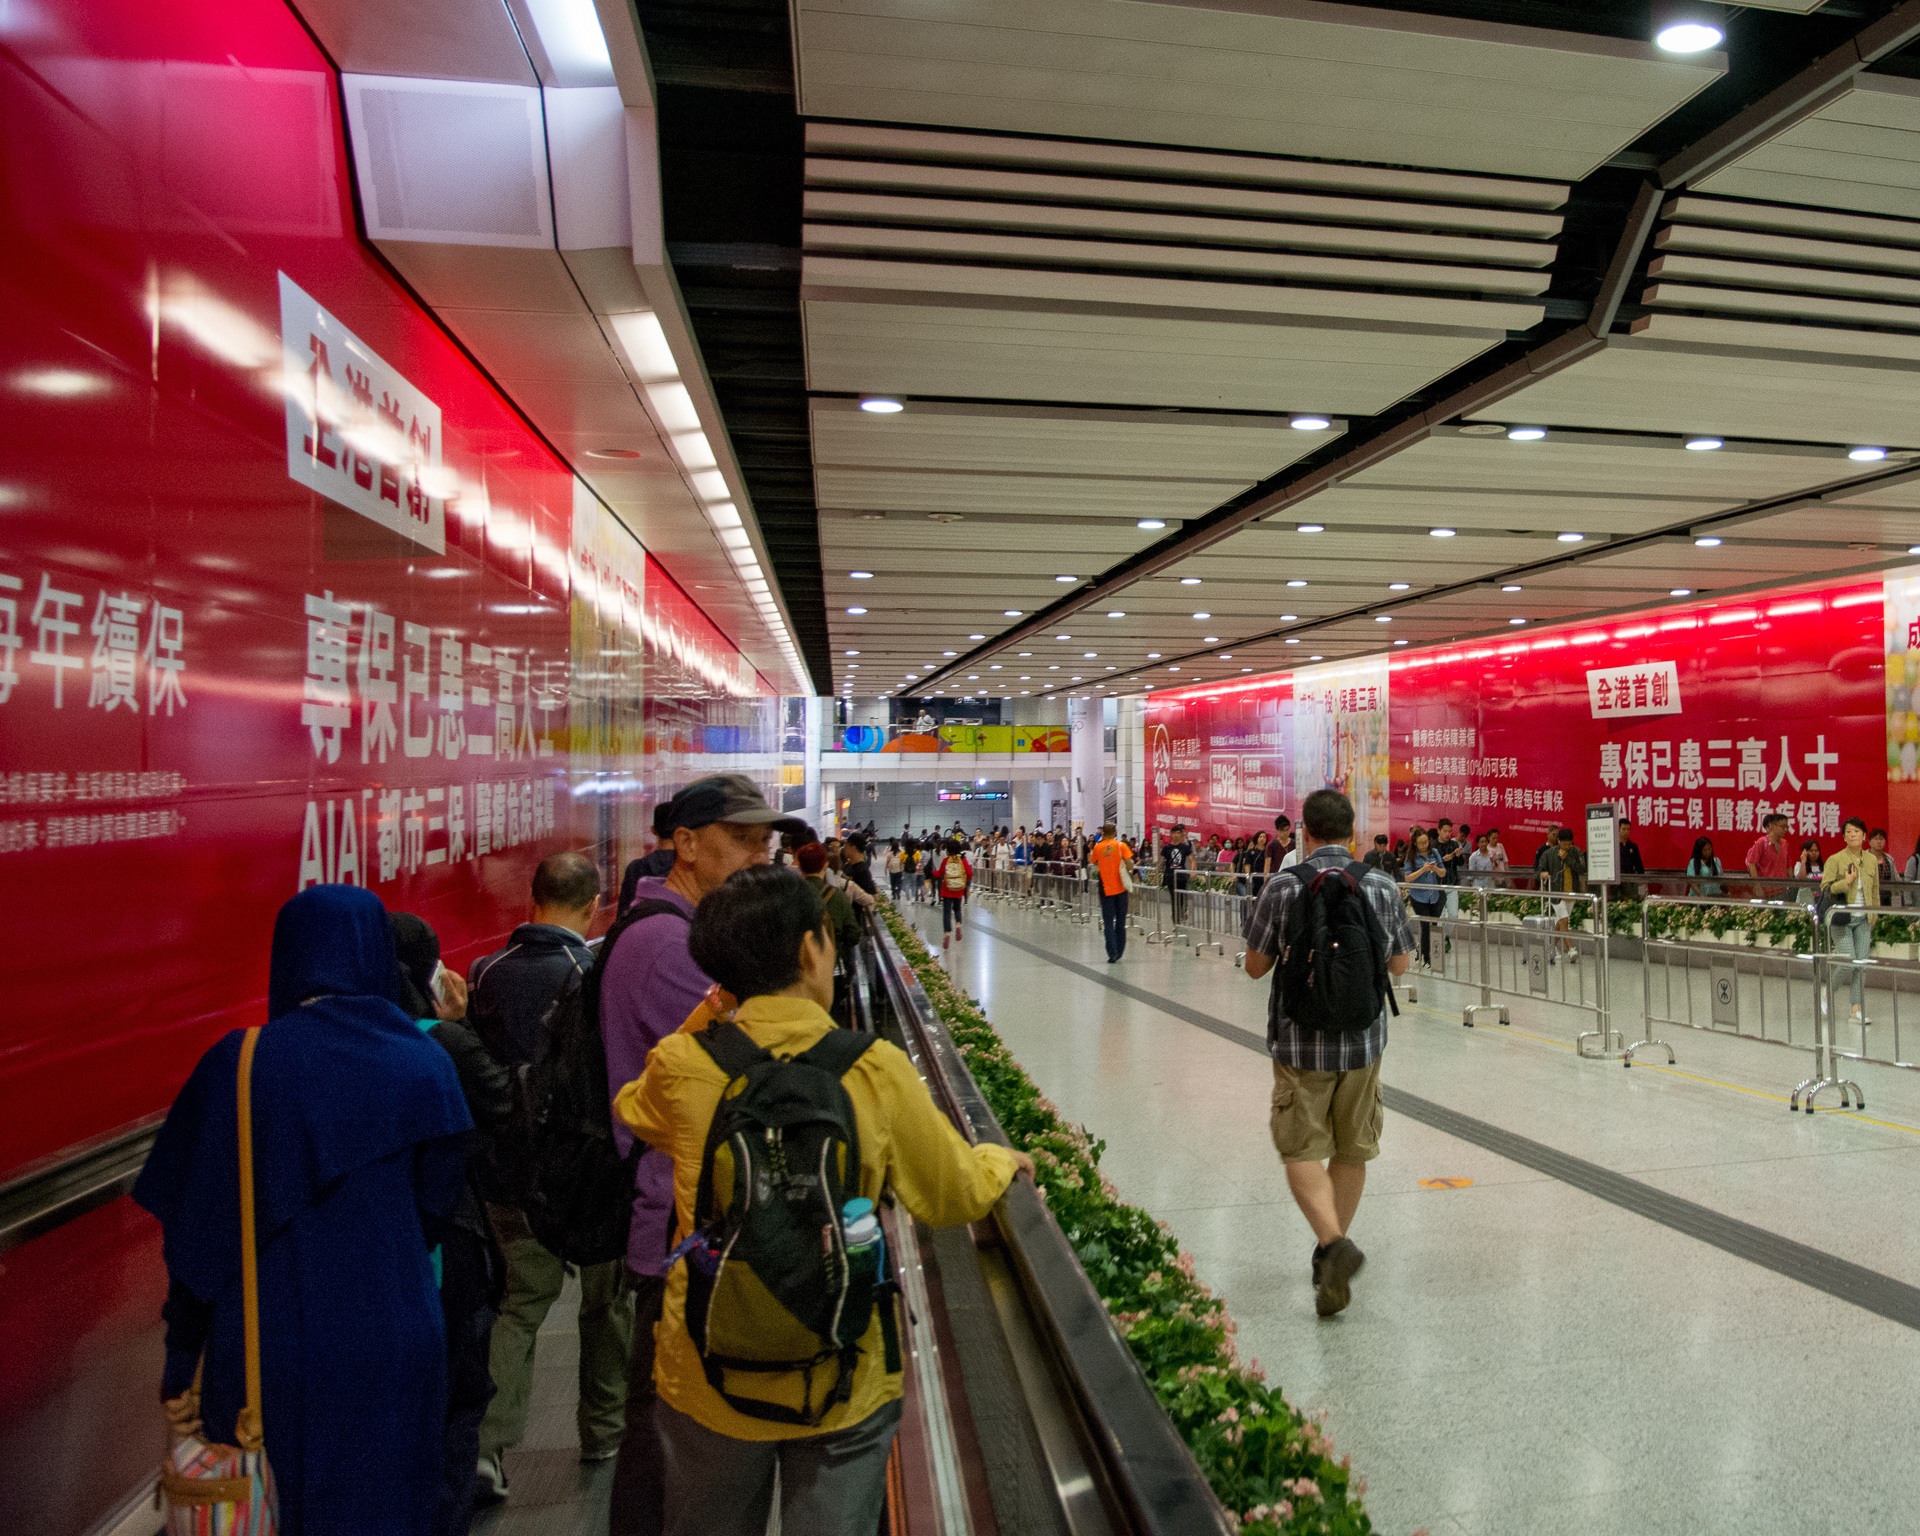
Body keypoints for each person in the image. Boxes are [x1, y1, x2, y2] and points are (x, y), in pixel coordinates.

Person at [612, 868, 1029, 1535]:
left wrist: (712, 1013)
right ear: (811, 950)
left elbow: (634, 1109)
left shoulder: (682, 1065)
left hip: (708, 1368)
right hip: (844, 1371)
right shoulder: (873, 1067)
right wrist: (999, 1159)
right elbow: (952, 1196)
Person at [135, 885, 472, 1536]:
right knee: (389, 1507)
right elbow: (436, 1212)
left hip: (270, 1346)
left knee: (274, 1507)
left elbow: (196, 1235)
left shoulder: (237, 1066)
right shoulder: (426, 1064)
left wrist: (180, 1362)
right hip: (393, 1334)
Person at [602, 776, 812, 1536]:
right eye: (744, 840)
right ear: (686, 844)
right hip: (679, 1229)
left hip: (683, 1222)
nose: (762, 856)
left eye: (767, 843)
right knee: (669, 1453)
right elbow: (751, 1069)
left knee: (667, 1445)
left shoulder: (682, 928)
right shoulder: (673, 945)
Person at [466, 853, 634, 1504]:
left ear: (532, 899)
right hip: (590, 1175)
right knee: (606, 1305)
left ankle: (487, 1449)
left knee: (519, 1308)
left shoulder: (485, 973)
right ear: (592, 907)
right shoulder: (593, 974)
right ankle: (603, 1432)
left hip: (510, 1172)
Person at [1240, 790, 1413, 1319]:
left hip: (1299, 1041)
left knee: (1300, 1148)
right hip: (1363, 1042)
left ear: (1305, 833)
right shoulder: (1380, 884)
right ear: (1352, 833)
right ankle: (1329, 1252)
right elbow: (1400, 965)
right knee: (1352, 1148)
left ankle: (1333, 1244)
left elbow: (1254, 967)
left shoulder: (1283, 885)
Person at [392, 912, 509, 1536]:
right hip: (448, 1248)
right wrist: (460, 1026)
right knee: (457, 1400)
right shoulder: (442, 1045)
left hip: (370, 1266)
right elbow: (501, 1107)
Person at [1821, 817, 1879, 1026]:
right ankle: (1828, 990)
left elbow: (1875, 890)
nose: (1853, 835)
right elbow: (1825, 889)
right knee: (1847, 961)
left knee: (1860, 964)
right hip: (1841, 919)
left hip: (1863, 919)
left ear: (1864, 836)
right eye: (1849, 832)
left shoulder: (1871, 860)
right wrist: (1845, 883)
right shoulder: (1835, 859)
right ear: (1844, 837)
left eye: (1857, 831)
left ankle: (1855, 1010)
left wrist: (1874, 914)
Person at [1088, 822, 1134, 964]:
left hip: (1105, 890)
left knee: (1108, 922)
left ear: (1103, 833)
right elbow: (1130, 863)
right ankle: (1119, 951)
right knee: (1120, 921)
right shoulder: (1121, 846)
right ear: (1115, 832)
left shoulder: (1097, 847)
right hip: (1121, 889)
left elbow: (1094, 862)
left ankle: (1112, 953)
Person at [1540, 828, 1588, 961]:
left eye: (1569, 844)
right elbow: (1539, 869)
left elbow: (1582, 869)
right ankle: (1571, 949)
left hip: (1571, 892)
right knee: (1564, 920)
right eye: (1564, 844)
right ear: (1559, 841)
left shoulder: (1576, 851)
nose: (1567, 846)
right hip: (1556, 893)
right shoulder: (1549, 853)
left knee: (1561, 922)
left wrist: (1567, 858)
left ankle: (1551, 947)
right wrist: (1543, 874)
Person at [1403, 828, 1445, 968]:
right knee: (1425, 925)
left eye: (1426, 842)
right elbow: (1407, 878)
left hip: (1434, 895)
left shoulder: (1435, 853)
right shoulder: (1411, 856)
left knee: (1433, 926)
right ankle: (1427, 958)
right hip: (1418, 896)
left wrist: (1436, 869)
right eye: (1421, 843)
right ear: (1415, 843)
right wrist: (1422, 870)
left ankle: (1423, 950)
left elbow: (1443, 872)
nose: (1424, 845)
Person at [1746, 812, 1795, 898]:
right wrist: (1757, 886)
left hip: (1782, 891)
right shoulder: (1761, 842)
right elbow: (1752, 864)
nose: (1785, 830)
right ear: (1772, 826)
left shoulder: (1785, 843)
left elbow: (1788, 867)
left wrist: (1791, 885)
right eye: (1782, 826)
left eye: (1786, 827)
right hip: (1764, 892)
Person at [936, 836, 972, 951]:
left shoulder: (946, 861)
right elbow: (970, 873)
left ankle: (947, 934)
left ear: (948, 850)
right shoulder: (963, 860)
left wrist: (931, 872)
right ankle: (958, 926)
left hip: (947, 889)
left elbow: (939, 873)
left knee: (946, 912)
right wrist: (964, 882)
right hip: (958, 889)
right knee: (957, 909)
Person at [1162, 824, 1194, 923]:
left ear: (1181, 834)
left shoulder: (1185, 847)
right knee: (1174, 898)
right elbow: (1160, 861)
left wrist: (1193, 871)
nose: (1176, 835)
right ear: (1171, 834)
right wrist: (1155, 876)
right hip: (1170, 876)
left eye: (1178, 833)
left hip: (1181, 876)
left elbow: (1192, 859)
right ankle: (1176, 920)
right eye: (1174, 833)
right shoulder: (1166, 848)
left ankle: (1178, 916)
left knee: (1180, 898)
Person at [1618, 820, 1646, 889]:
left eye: (1628, 829)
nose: (1626, 832)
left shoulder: (1633, 846)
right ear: (1618, 830)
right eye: (1623, 829)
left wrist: (1642, 880)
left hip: (1630, 880)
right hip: (1617, 881)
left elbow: (1639, 865)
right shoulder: (1613, 846)